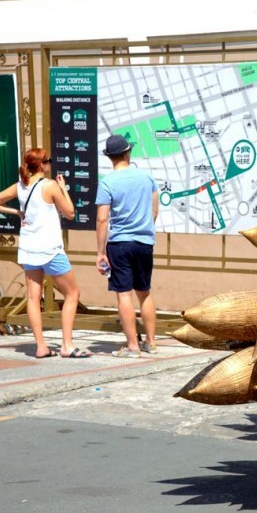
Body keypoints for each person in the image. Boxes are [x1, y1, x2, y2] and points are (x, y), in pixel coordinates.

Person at [0, 148, 89, 358]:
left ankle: (41, 346)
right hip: (50, 249)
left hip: (29, 248)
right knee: (72, 294)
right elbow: (70, 213)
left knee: (33, 298)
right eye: (48, 160)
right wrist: (64, 189)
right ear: (41, 165)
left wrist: (17, 212)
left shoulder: (21, 186)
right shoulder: (50, 185)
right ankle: (67, 345)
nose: (50, 163)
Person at [95, 134, 159, 357]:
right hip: (144, 242)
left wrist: (100, 252)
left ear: (110, 157)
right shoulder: (146, 178)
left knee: (124, 295)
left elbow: (102, 219)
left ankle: (132, 346)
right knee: (145, 293)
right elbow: (154, 211)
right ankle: (151, 342)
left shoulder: (107, 183)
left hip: (120, 243)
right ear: (127, 152)